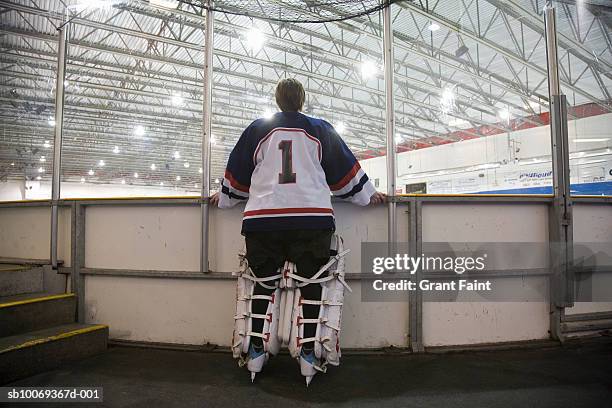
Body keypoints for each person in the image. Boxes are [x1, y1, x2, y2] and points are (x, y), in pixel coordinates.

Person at [210, 77, 385, 377]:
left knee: (263, 284)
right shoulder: (320, 129)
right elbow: (345, 179)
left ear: (277, 100)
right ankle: (307, 354)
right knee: (312, 284)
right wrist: (369, 196)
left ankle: (255, 352)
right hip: (312, 221)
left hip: (262, 223)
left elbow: (236, 179)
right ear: (302, 100)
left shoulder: (257, 129)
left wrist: (223, 198)